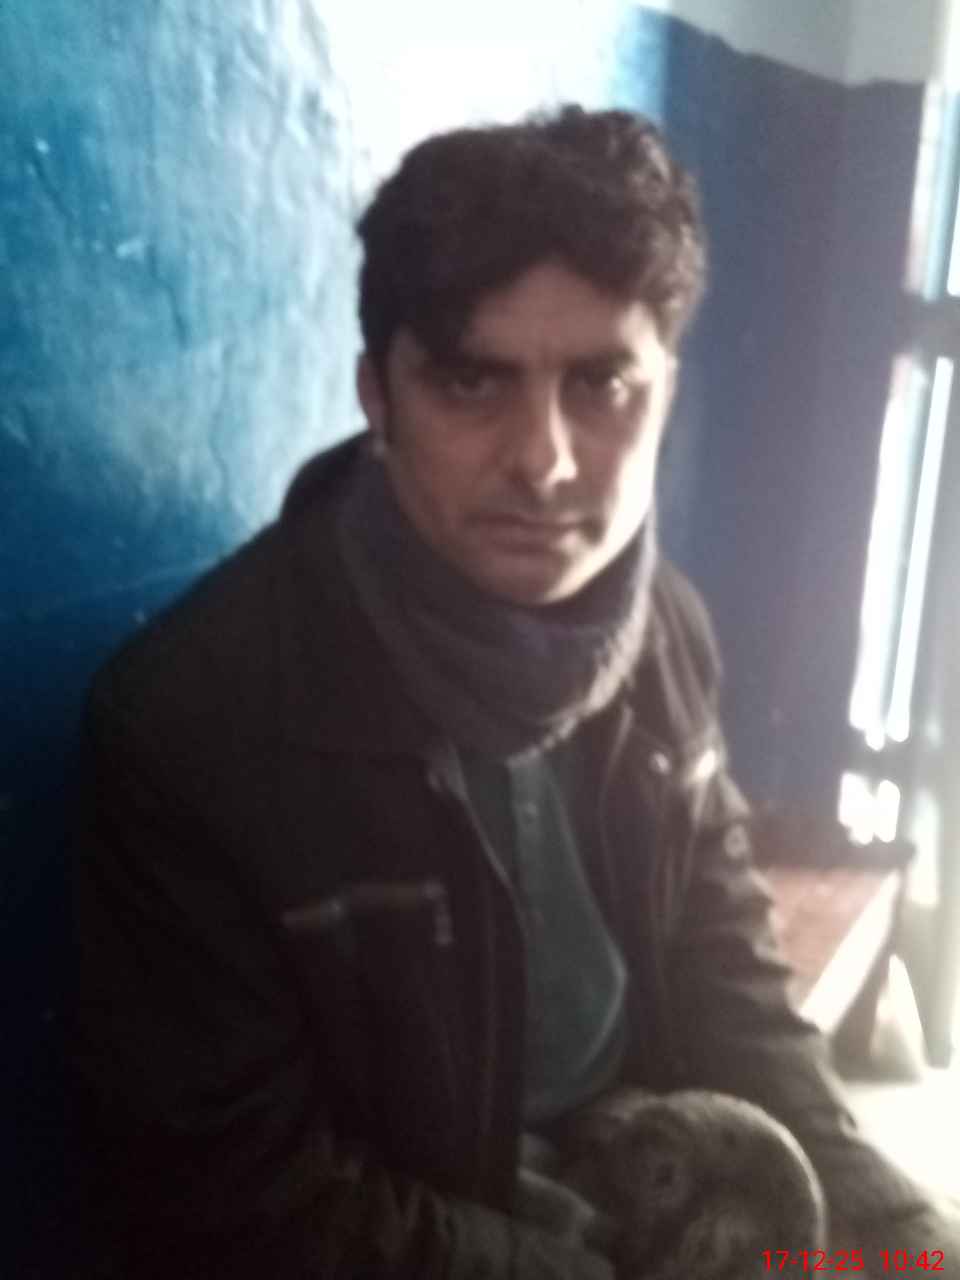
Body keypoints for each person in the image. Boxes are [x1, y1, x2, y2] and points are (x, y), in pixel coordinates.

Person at [69, 105, 956, 1278]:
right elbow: (246, 1195)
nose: (545, 462)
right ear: (378, 395)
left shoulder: (664, 627)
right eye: (472, 381)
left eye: (603, 384)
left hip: (648, 1166)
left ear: (666, 391)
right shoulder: (193, 726)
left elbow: (723, 959)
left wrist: (889, 1228)